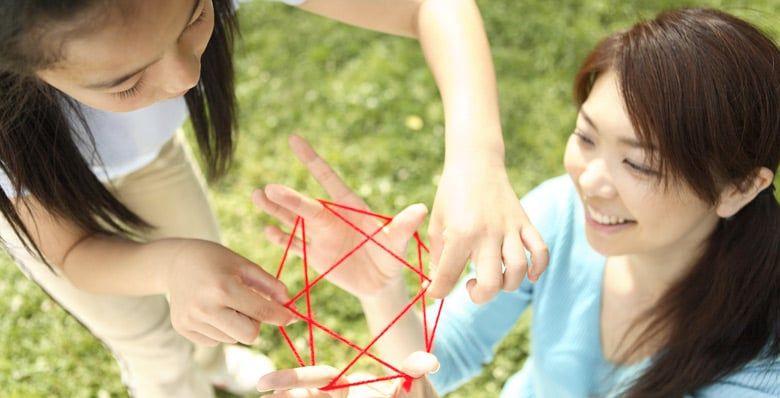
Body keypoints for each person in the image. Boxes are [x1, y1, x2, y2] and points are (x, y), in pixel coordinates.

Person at [0, 0, 547, 397]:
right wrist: (168, 268)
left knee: (209, 279)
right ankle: (171, 384)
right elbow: (72, 255)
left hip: (152, 158)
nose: (186, 76)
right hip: (36, 194)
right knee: (150, 339)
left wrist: (478, 157)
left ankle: (216, 364)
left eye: (194, 17)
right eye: (125, 82)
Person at [254, 8, 779, 397]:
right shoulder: (559, 215)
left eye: (640, 164)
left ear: (740, 188)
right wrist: (382, 291)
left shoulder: (764, 363)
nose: (591, 182)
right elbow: (441, 358)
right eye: (586, 137)